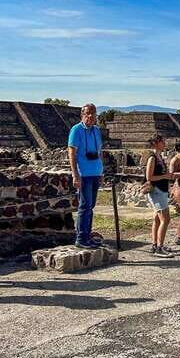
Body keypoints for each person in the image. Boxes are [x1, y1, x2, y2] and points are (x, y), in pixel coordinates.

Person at [68, 104, 104, 249]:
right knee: (84, 206)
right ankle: (81, 238)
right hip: (84, 174)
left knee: (91, 206)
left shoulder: (96, 130)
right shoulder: (76, 130)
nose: (90, 116)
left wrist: (101, 171)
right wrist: (75, 174)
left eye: (93, 113)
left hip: (95, 172)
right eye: (87, 113)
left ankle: (87, 236)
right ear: (82, 115)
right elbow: (71, 152)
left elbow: (100, 152)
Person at [143, 134, 180, 258]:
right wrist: (164, 176)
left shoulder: (159, 157)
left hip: (162, 190)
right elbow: (149, 178)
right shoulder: (152, 158)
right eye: (162, 141)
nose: (164, 143)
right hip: (156, 191)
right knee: (165, 219)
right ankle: (159, 247)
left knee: (157, 219)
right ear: (155, 143)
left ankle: (156, 244)